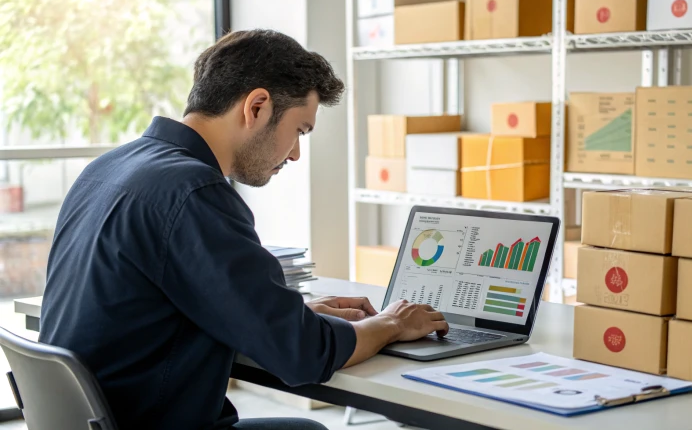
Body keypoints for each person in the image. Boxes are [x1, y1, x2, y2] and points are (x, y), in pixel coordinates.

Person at [38, 29, 449, 430]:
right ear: (257, 107)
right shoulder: (193, 192)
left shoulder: (108, 168)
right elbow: (303, 356)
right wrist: (393, 323)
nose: (295, 154)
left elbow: (163, 304)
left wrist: (290, 317)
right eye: (299, 131)